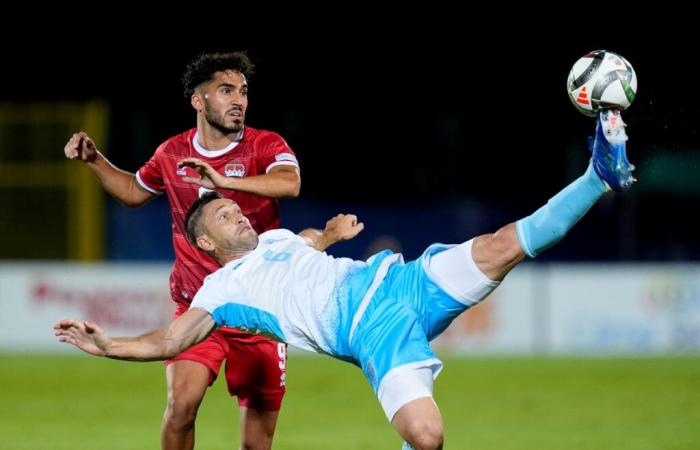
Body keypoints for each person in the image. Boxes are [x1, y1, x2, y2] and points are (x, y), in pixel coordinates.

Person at [56, 110, 634, 450]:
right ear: (207, 242)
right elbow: (168, 342)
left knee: (503, 244)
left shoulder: (275, 240)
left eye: (234, 208)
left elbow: (302, 243)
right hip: (373, 336)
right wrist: (104, 344)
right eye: (225, 215)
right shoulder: (221, 292)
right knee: (427, 437)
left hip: (403, 284)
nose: (237, 212)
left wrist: (328, 235)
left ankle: (598, 174)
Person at [62, 51, 301, 450]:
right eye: (226, 90)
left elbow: (289, 183)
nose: (238, 100)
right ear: (198, 100)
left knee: (256, 443)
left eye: (243, 91)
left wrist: (226, 180)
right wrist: (95, 161)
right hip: (198, 305)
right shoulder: (172, 153)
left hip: (259, 310)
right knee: (180, 406)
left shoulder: (264, 145)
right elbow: (135, 192)